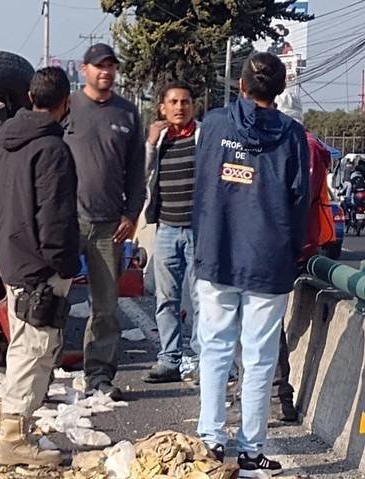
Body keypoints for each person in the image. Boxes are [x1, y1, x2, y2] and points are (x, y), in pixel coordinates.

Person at [193, 52, 309, 477]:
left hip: (218, 251)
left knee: (215, 350)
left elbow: (202, 185)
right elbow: (299, 202)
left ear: (240, 85)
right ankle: (250, 449)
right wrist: (291, 252)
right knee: (259, 357)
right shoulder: (294, 136)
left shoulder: (216, 125)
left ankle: (209, 440)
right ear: (279, 91)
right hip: (269, 258)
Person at [0, 67, 80, 467]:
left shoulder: (4, 144)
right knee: (35, 350)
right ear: (65, 103)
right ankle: (13, 438)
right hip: (42, 265)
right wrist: (62, 262)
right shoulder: (53, 150)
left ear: (30, 97)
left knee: (22, 345)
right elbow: (55, 217)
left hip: (13, 256)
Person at [63, 43, 145, 399]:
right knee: (53, 300)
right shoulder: (66, 107)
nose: (106, 72)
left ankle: (99, 376)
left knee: (106, 307)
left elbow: (136, 173)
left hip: (110, 225)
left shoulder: (127, 113)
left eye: (111, 66)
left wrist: (132, 213)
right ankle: (45, 370)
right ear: (84, 70)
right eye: (99, 66)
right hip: (66, 222)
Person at [274, 90, 333, 423]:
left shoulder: (303, 146)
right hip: (289, 243)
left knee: (268, 323)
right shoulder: (298, 143)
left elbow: (296, 199)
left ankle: (283, 396)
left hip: (292, 245)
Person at [143, 81, 200, 384]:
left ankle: (204, 360)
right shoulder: (159, 138)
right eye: (174, 102)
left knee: (201, 300)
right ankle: (169, 360)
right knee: (167, 300)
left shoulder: (203, 137)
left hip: (198, 232)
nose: (180, 107)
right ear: (162, 108)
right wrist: (151, 143)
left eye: (185, 101)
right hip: (166, 230)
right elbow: (143, 175)